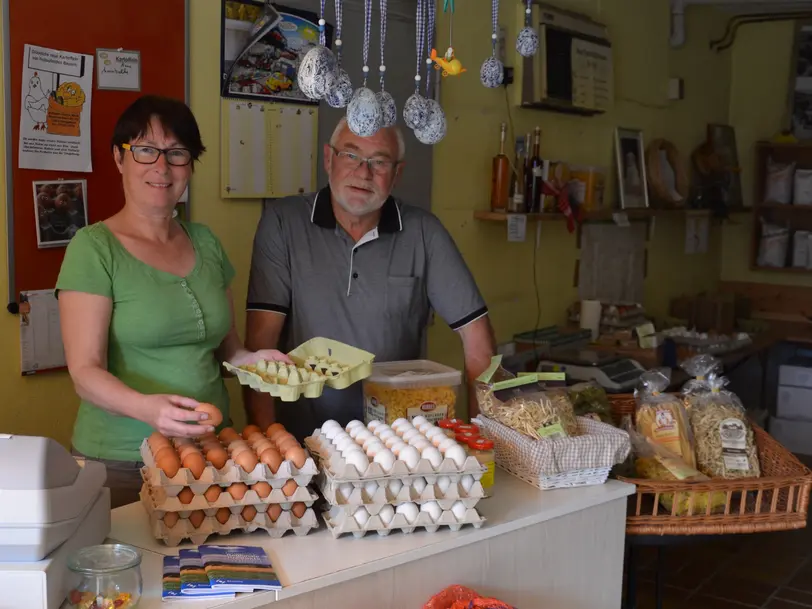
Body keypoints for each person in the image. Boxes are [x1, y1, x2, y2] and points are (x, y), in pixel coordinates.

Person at [56, 95, 289, 508]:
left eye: (177, 153)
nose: (161, 167)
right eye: (145, 150)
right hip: (123, 462)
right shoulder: (93, 249)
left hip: (215, 450)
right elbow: (84, 373)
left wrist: (252, 362)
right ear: (119, 157)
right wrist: (148, 409)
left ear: (190, 166)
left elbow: (226, 346)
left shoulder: (206, 242)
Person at [245, 117, 496, 440]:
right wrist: (271, 445)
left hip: (401, 441)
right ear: (328, 158)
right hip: (305, 440)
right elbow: (260, 349)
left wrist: (483, 436)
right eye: (351, 156)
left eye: (379, 162)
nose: (363, 173)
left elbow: (478, 339)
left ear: (397, 173)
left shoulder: (423, 232)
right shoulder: (283, 223)